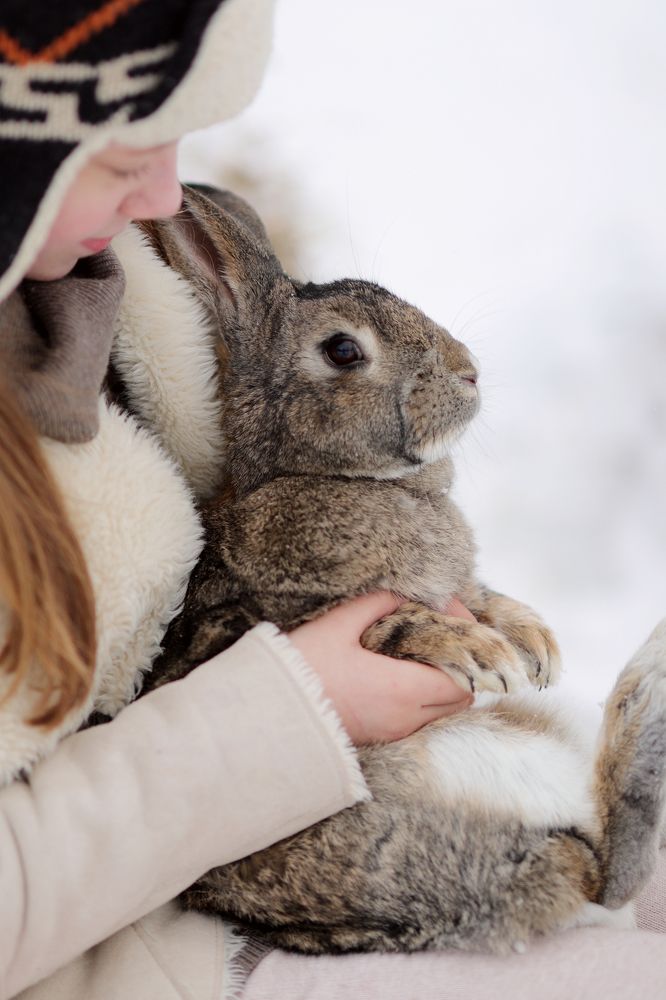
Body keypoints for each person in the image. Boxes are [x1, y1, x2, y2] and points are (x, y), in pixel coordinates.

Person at [0, 3, 663, 999]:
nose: (167, 189)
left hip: (280, 829)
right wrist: (292, 707)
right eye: (122, 143)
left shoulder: (118, 284)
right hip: (146, 939)